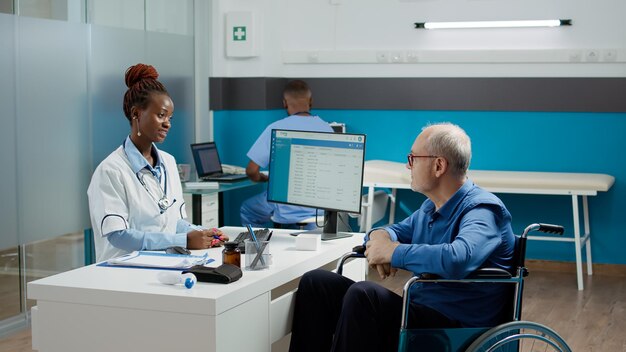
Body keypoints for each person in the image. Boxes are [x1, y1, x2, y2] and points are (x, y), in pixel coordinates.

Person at [288, 123, 516, 352]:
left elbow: (458, 258)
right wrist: (380, 238)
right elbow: (391, 231)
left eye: (413, 158)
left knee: (365, 295)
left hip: (455, 330)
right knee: (317, 282)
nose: (409, 166)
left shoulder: (483, 210)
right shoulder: (431, 208)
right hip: (419, 315)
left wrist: (393, 252)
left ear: (439, 165)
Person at [87, 63, 227, 261]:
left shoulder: (168, 163)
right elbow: (118, 236)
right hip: (124, 271)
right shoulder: (111, 170)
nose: (168, 123)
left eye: (170, 117)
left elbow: (175, 222)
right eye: (161, 115)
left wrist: (203, 233)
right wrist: (183, 241)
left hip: (165, 265)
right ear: (136, 113)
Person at [240, 79, 333, 228]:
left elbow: (251, 171)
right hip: (320, 205)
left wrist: (262, 179)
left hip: (285, 205)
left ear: (284, 103)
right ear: (311, 101)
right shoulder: (327, 128)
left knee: (247, 209)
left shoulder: (276, 128)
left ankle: (257, 246)